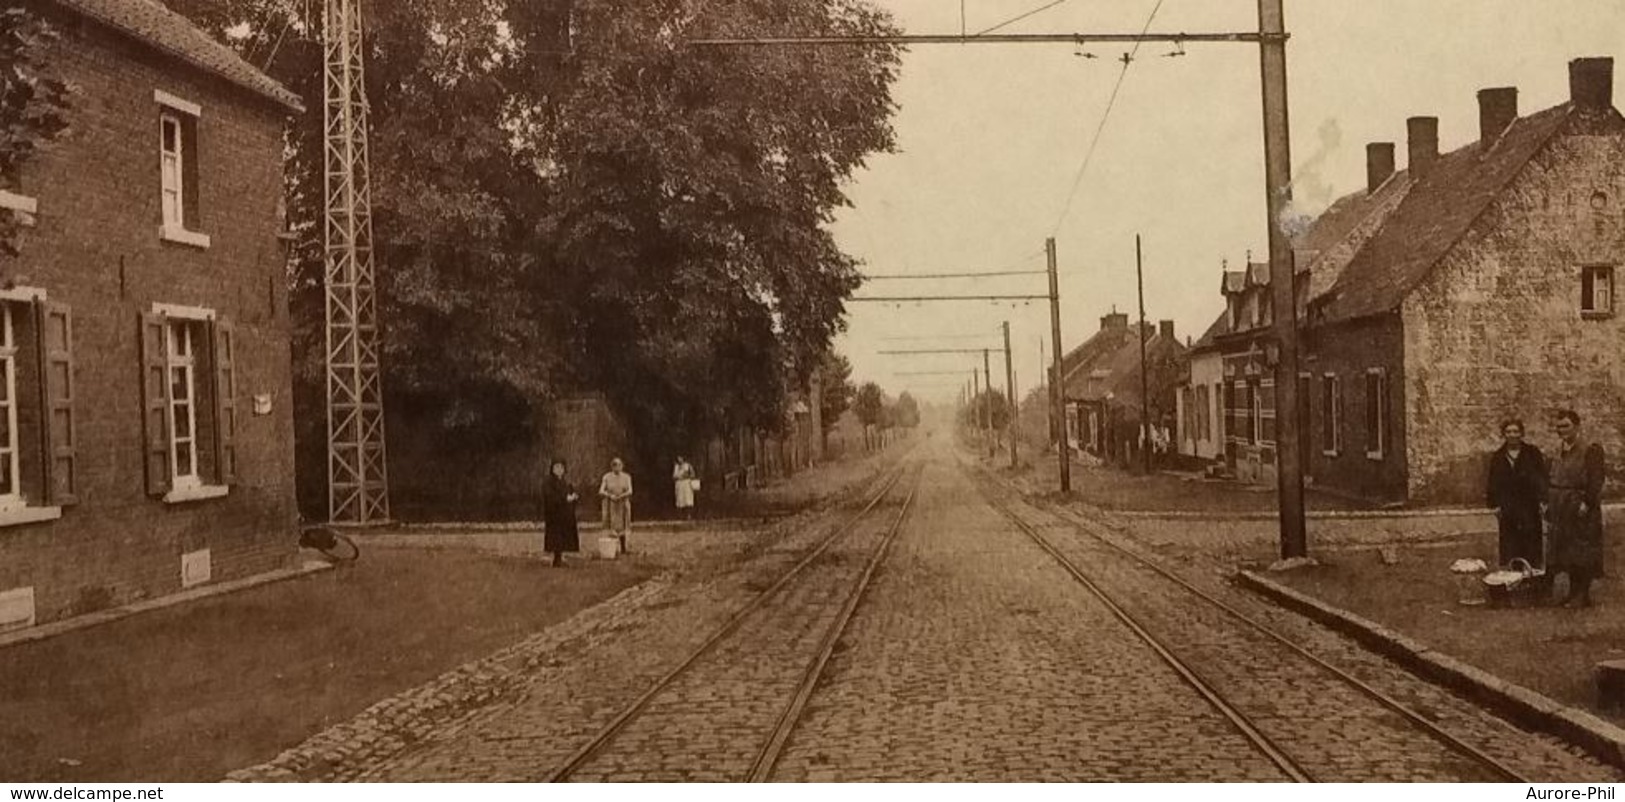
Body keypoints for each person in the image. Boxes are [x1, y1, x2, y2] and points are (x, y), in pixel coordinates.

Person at [1547, 410, 1606, 608]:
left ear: (1577, 426)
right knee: (1567, 550)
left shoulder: (1591, 449)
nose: (1561, 430)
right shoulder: (1559, 449)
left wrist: (1587, 503)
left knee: (1583, 549)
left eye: (1566, 426)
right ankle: (1573, 592)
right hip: (1561, 505)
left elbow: (1596, 479)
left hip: (1580, 503)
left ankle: (1583, 594)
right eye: (1558, 426)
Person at [1485, 419, 1546, 567]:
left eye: (1516, 431)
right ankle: (1512, 580)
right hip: (1508, 508)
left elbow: (1542, 477)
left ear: (1522, 433)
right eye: (1508, 432)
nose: (1512, 435)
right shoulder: (1498, 457)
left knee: (1531, 544)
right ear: (1504, 435)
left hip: (1529, 507)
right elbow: (1493, 482)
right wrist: (1495, 505)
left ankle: (1533, 579)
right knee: (1510, 545)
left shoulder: (1532, 453)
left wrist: (1543, 501)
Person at [540, 460, 580, 567]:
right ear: (552, 469)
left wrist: (574, 497)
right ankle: (556, 559)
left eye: (561, 467)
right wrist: (565, 498)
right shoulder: (548, 482)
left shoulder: (564, 482)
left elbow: (570, 492)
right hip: (554, 515)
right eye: (556, 467)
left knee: (563, 536)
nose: (559, 470)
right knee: (555, 536)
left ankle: (560, 557)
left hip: (564, 514)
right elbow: (549, 497)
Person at [600, 457, 634, 555]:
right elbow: (601, 490)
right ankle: (612, 549)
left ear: (622, 466)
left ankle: (623, 547)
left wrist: (621, 496)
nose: (617, 467)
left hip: (623, 502)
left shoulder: (627, 477)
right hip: (611, 503)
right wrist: (610, 495)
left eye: (619, 465)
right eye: (615, 465)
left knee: (623, 523)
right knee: (612, 524)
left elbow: (630, 490)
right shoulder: (606, 477)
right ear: (611, 467)